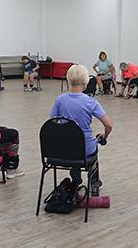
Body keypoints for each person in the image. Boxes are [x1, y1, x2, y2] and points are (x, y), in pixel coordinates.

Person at [50, 64, 113, 192]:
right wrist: (104, 137)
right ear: (86, 82)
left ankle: (76, 180)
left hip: (61, 150)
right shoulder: (90, 102)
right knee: (91, 150)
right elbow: (108, 125)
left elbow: (52, 123)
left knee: (73, 145)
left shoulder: (60, 100)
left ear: (68, 80)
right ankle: (94, 183)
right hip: (84, 150)